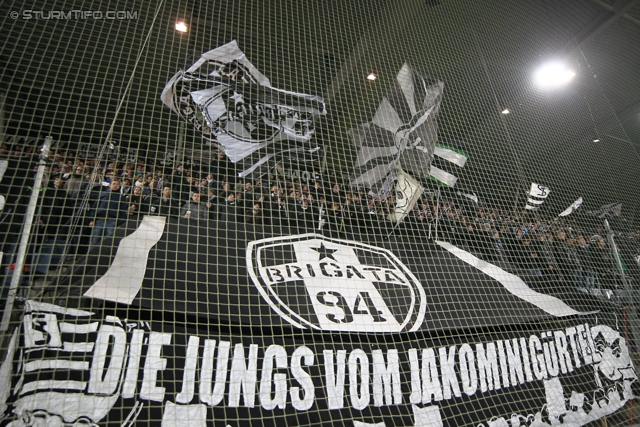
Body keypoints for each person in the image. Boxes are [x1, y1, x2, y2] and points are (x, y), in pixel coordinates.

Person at [88, 180, 128, 248]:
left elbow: (123, 212)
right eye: (114, 184)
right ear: (110, 185)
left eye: (117, 184)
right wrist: (92, 219)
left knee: (108, 242)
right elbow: (95, 207)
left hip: (112, 222)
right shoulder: (102, 194)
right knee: (94, 241)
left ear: (119, 186)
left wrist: (120, 223)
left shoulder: (121, 198)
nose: (115, 186)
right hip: (99, 221)